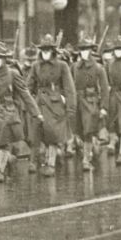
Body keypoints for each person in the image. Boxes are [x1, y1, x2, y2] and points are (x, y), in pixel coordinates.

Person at [0, 42, 40, 182]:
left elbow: (25, 93)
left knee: (4, 141)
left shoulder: (13, 73)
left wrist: (35, 112)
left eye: (0, 57)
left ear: (5, 59)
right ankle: (5, 163)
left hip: (8, 111)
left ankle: (0, 170)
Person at [27, 35, 75, 176]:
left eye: (48, 50)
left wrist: (70, 107)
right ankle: (33, 161)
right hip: (40, 103)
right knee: (36, 132)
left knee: (53, 134)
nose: (46, 52)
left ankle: (51, 164)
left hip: (55, 104)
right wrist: (28, 102)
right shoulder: (35, 66)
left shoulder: (62, 66)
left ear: (53, 51)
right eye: (43, 50)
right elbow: (29, 86)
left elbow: (69, 88)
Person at [72, 38, 110, 172]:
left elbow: (105, 89)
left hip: (91, 101)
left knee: (88, 130)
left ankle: (86, 160)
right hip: (77, 102)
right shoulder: (75, 67)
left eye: (86, 49)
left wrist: (104, 107)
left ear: (91, 51)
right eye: (81, 49)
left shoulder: (98, 68)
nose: (83, 52)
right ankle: (92, 149)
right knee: (80, 131)